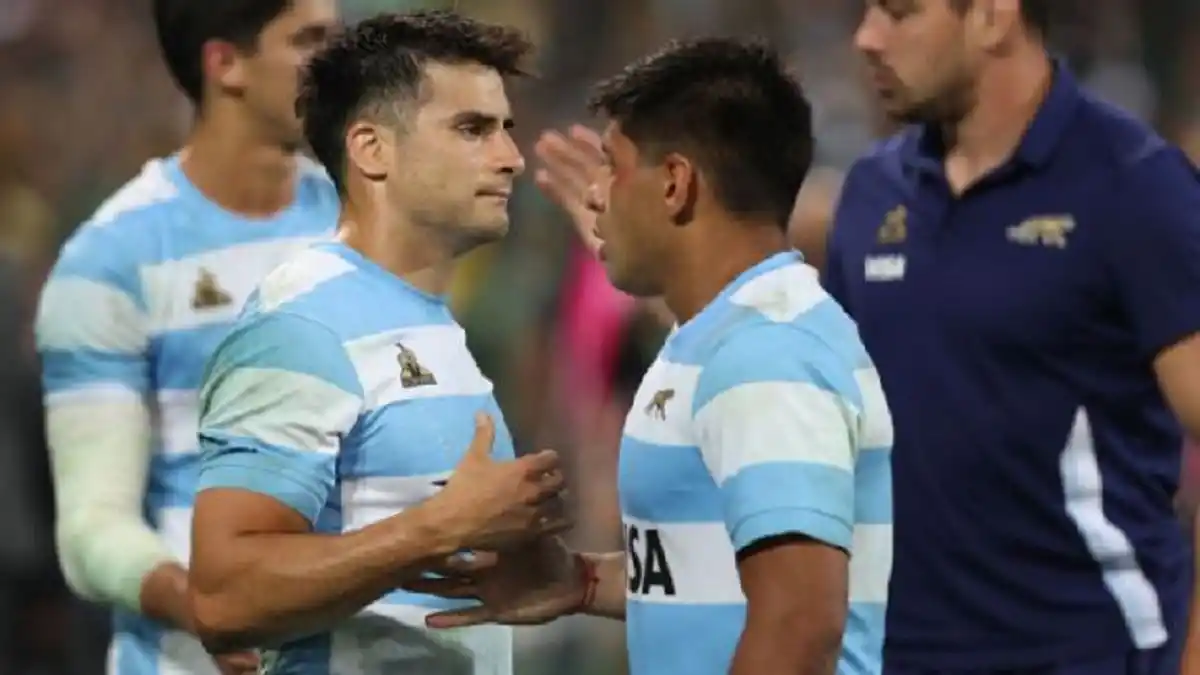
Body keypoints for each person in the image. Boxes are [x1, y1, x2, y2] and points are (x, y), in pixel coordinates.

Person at [406, 37, 894, 675]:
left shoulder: (767, 356)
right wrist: (580, 582)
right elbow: (715, 577)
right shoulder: (716, 337)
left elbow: (799, 629)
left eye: (614, 166)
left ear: (674, 185)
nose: (598, 195)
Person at [185, 11, 568, 675]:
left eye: (506, 128)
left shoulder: (424, 321)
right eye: (472, 129)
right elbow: (222, 597)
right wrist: (436, 527)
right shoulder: (304, 324)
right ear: (371, 149)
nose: (510, 156)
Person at [827, 1, 1200, 674]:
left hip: (1094, 653)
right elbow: (821, 421)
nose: (867, 38)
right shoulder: (870, 195)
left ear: (995, 16)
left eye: (900, 11)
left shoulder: (1133, 186)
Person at [34, 0, 341, 673]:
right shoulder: (110, 261)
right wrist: (208, 607)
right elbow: (92, 529)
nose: (336, 63)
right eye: (308, 41)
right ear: (225, 64)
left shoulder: (364, 226)